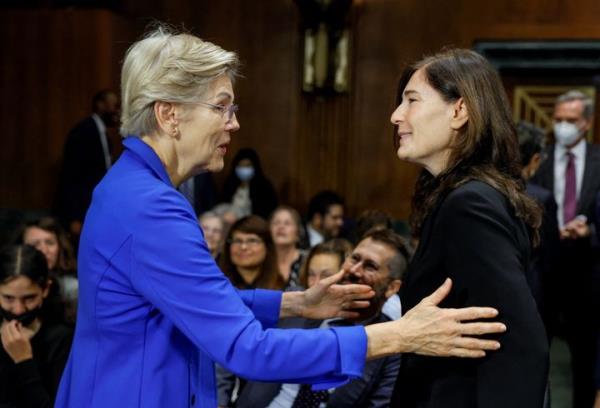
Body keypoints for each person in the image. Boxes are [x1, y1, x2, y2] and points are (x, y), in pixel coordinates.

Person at [55, 27, 507, 408]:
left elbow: (189, 300)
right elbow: (246, 348)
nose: (233, 123)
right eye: (222, 106)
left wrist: (297, 304)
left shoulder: (131, 186)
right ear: (169, 114)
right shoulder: (150, 206)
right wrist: (397, 336)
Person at [389, 49, 549, 407]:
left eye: (411, 100)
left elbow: (520, 342)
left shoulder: (469, 203)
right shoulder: (461, 196)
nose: (396, 115)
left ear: (459, 111)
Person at [236, 229, 407, 408]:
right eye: (355, 259)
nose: (355, 270)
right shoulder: (299, 301)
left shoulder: (391, 342)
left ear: (392, 288)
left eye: (370, 266)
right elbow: (237, 336)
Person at [531, 90, 600, 407]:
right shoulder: (538, 160)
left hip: (587, 274)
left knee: (585, 361)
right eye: (557, 120)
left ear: (586, 123)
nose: (562, 127)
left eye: (570, 121)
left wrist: (591, 230)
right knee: (535, 354)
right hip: (543, 272)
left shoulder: (599, 161)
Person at [0, 245, 73, 407]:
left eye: (29, 298)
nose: (18, 309)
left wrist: (24, 361)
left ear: (45, 289)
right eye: (8, 298)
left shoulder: (61, 340)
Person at [54, 90, 120, 240]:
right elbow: (71, 177)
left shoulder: (105, 136)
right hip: (81, 214)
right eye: (114, 105)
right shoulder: (84, 132)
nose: (117, 110)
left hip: (98, 212)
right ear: (100, 105)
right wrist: (74, 217)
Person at [516, 121, 559, 326]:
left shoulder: (478, 189)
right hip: (531, 293)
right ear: (535, 159)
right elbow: (550, 257)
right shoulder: (541, 198)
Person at [21, 217, 78, 325]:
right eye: (35, 244)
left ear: (60, 247)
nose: (44, 250)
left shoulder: (72, 290)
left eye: (50, 243)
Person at [219, 215, 284, 290]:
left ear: (267, 247)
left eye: (252, 241)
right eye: (237, 241)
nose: (243, 247)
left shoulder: (284, 292)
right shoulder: (217, 287)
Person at [220, 148, 278, 219]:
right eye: (241, 165)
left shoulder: (264, 187)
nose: (244, 169)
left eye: (247, 165)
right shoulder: (229, 185)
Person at [270, 205, 307, 288]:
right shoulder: (263, 260)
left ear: (298, 232)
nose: (281, 227)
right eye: (276, 223)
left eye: (287, 223)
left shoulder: (307, 259)